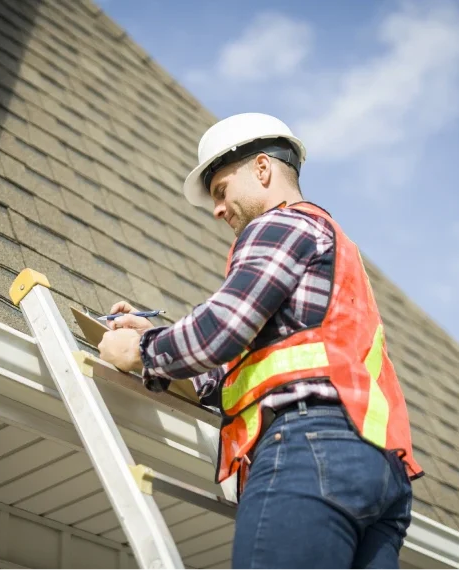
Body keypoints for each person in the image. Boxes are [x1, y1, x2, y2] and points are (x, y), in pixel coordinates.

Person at [98, 112, 423, 570]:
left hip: (310, 448)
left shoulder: (279, 225)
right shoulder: (333, 247)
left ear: (263, 170)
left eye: (220, 191)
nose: (217, 209)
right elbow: (237, 367)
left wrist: (139, 352)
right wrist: (156, 334)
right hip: (380, 472)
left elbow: (222, 330)